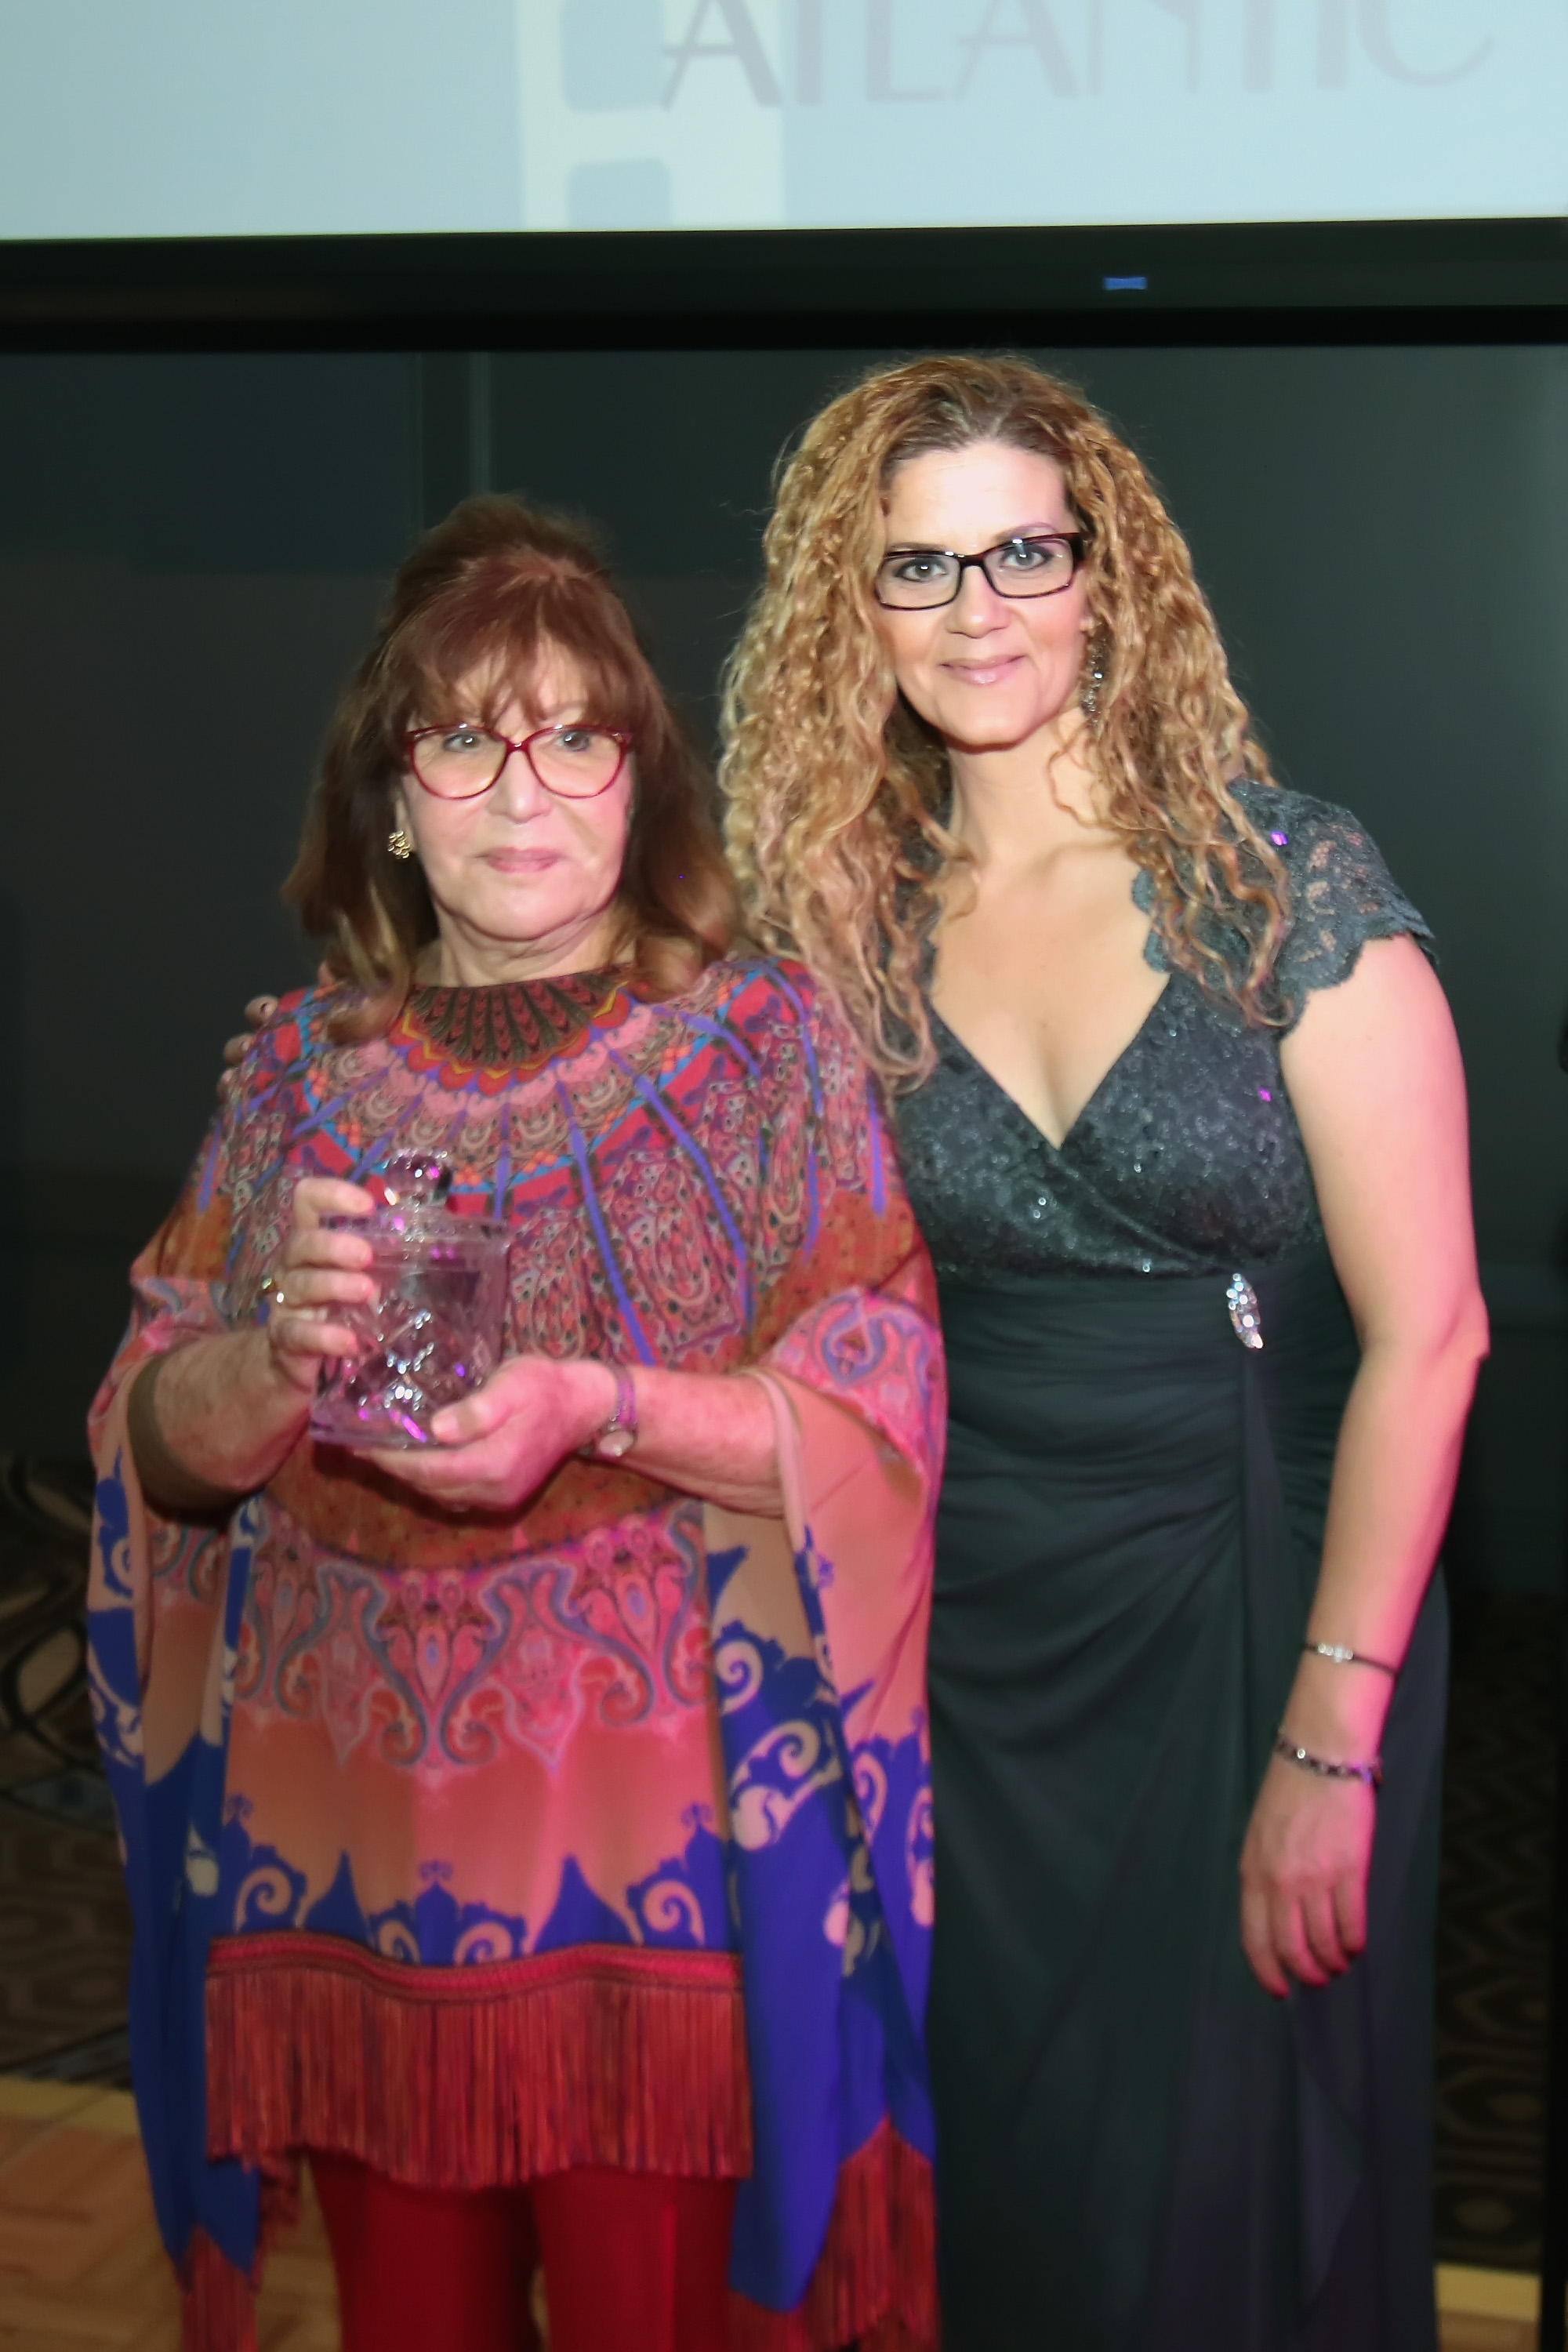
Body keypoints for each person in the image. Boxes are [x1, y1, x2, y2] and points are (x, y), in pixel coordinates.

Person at [87, 496, 942, 2352]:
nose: (520, 784)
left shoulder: (766, 1051)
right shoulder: (291, 1076)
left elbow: (882, 1407)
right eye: (461, 738)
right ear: (392, 795)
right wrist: (262, 1363)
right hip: (354, 1871)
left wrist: (596, 1406)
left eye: (575, 733)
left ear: (640, 778)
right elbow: (148, 1451)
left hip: (656, 1868)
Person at [720, 355, 1487, 2350]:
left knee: (1227, 2171)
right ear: (851, 614)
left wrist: (1330, 1740)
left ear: (1106, 580)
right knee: (1010, 2170)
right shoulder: (841, 916)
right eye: (919, 568)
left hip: (1262, 1600)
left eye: (1023, 552)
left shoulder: (1277, 880)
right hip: (967, 1632)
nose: (978, 609)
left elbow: (1434, 1337)